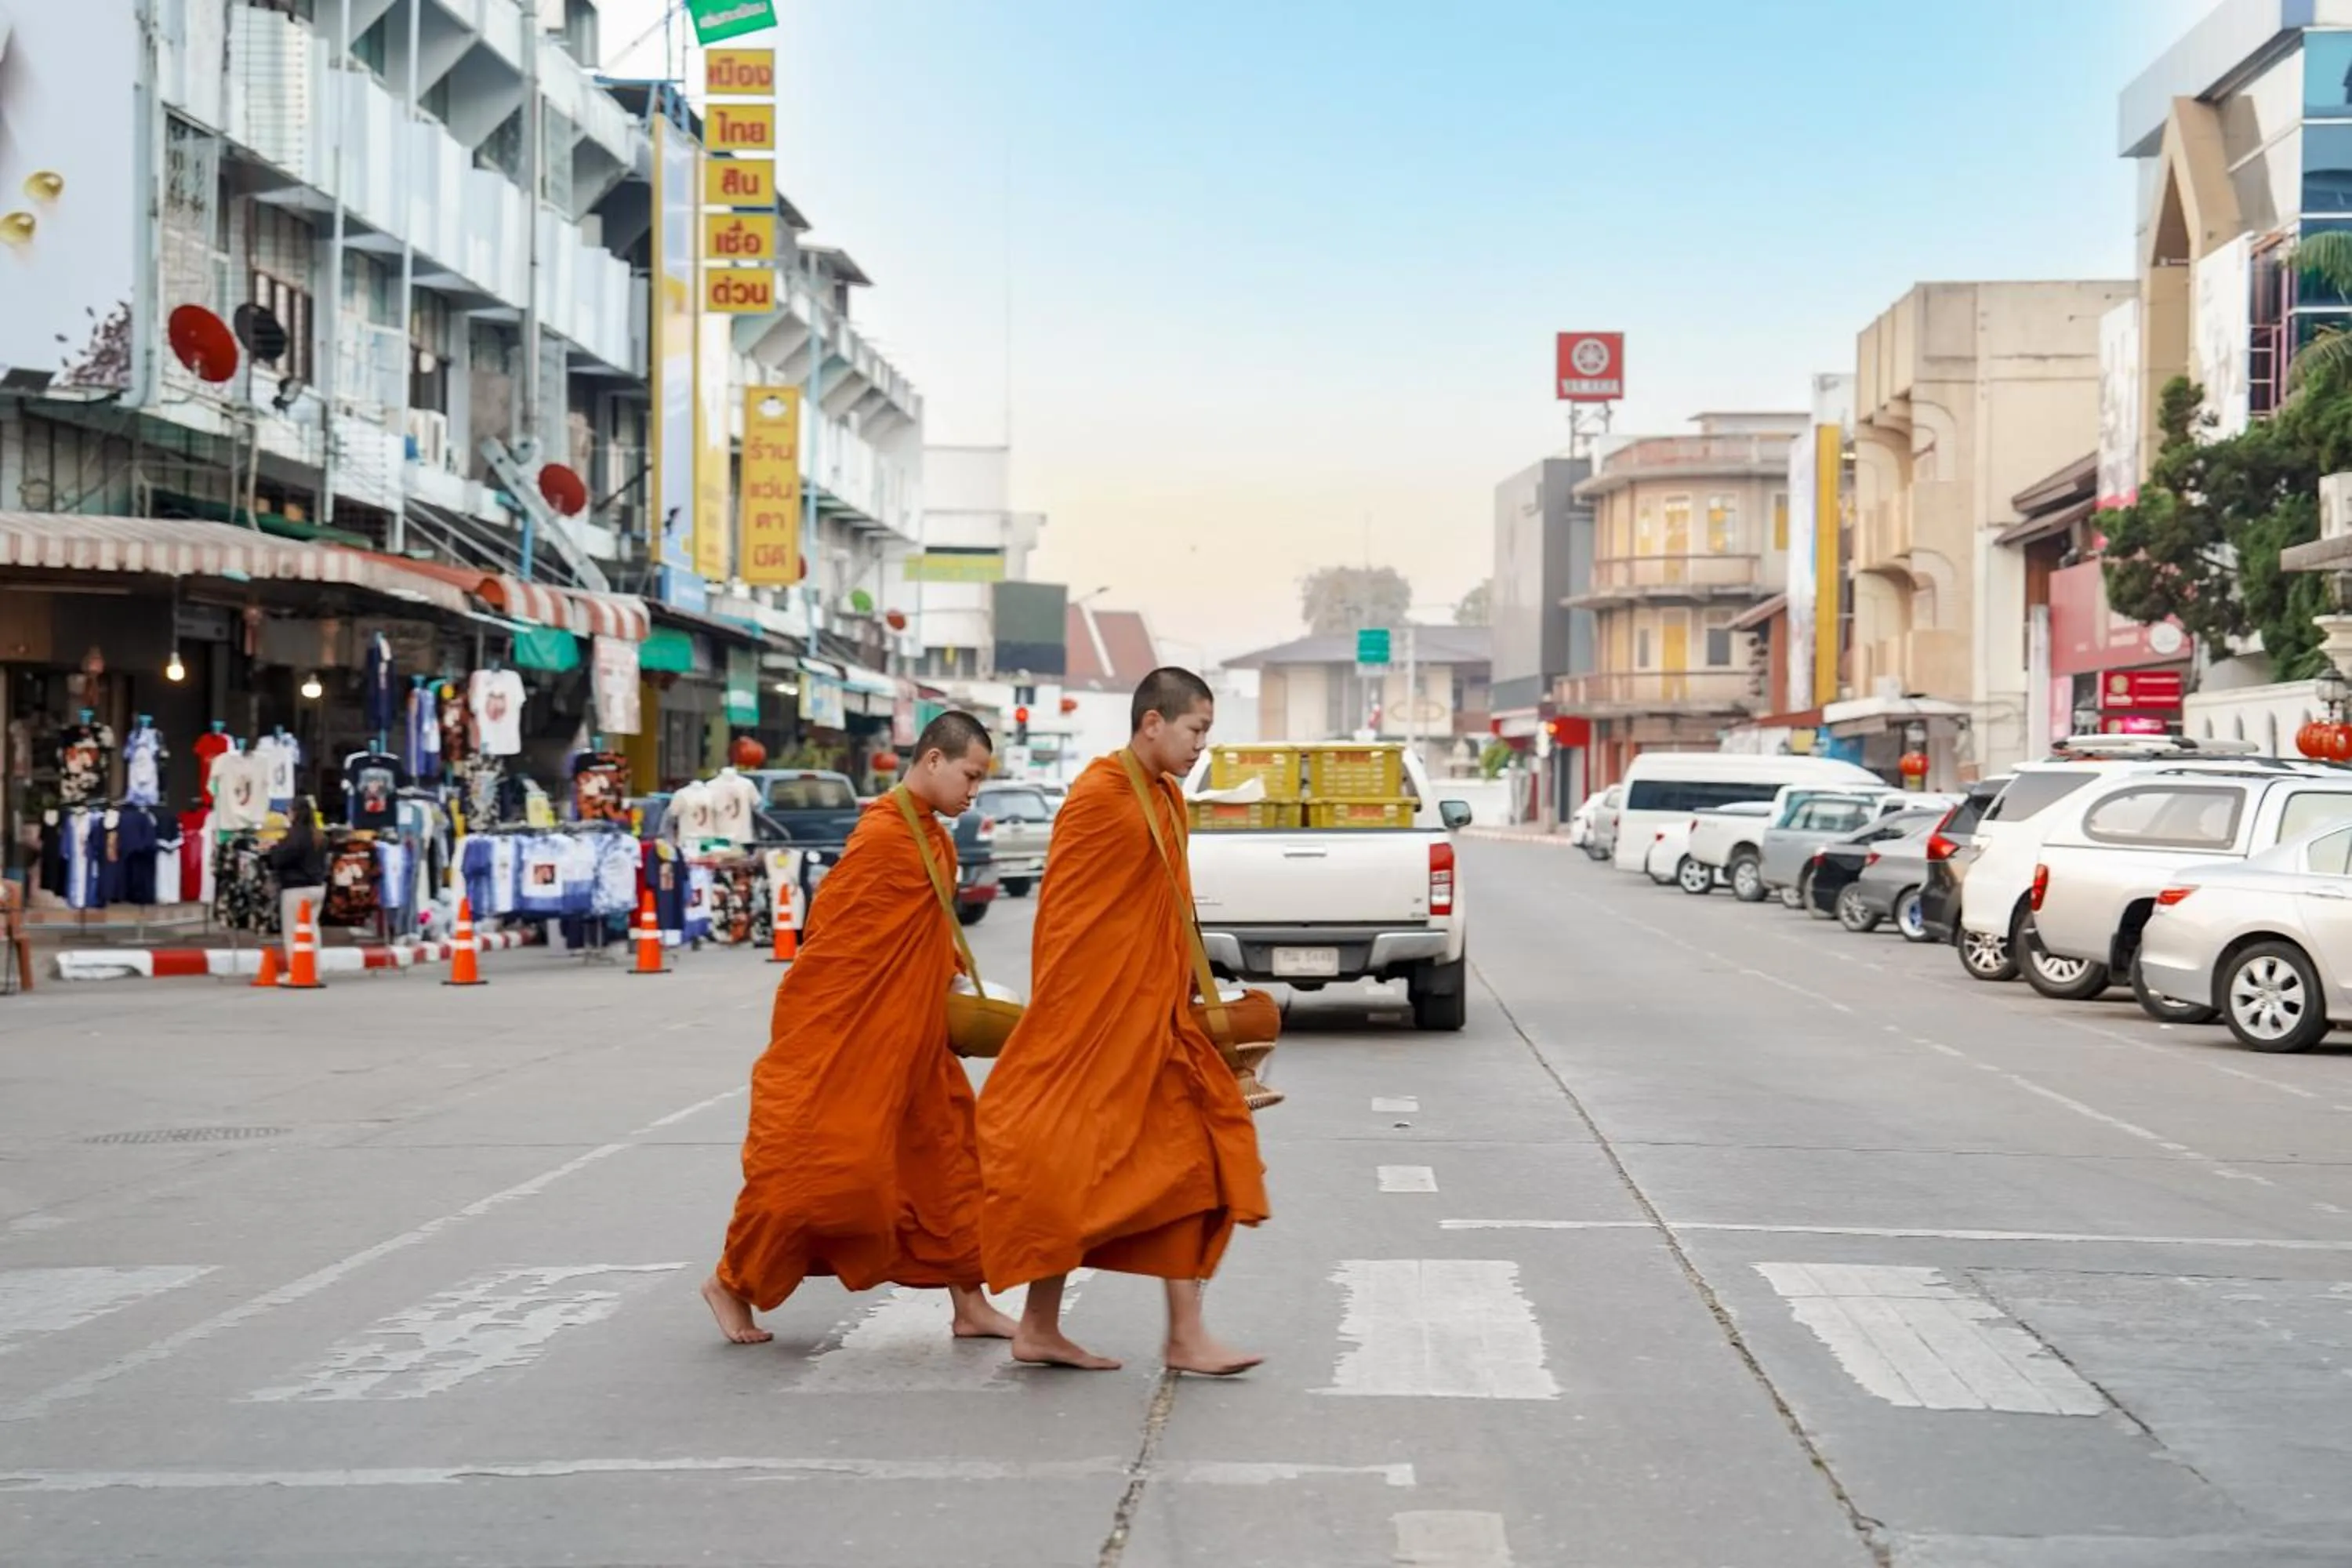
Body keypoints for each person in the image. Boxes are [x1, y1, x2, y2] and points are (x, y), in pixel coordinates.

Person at [977, 668, 1269, 1374]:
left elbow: (1159, 913)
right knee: (1079, 1170)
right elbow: (1072, 926)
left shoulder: (1166, 796)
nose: (1203, 745)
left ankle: (1172, 1334)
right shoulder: (1099, 799)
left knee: (1190, 1162)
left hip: (1154, 1019)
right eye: (1196, 729)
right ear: (1152, 724)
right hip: (1094, 1023)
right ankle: (1059, 1327)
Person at [702, 710, 1017, 1346]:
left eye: (981, 780)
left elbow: (926, 935)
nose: (974, 791)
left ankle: (970, 1301)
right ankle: (731, 1281)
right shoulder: (880, 839)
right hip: (856, 1040)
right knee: (817, 1172)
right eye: (970, 776)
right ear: (932, 760)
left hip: (918, 1040)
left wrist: (947, 980)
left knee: (951, 1165)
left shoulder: (936, 838)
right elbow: (833, 953)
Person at [265, 797, 326, 964]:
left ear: (295, 813)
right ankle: (314, 969)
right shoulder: (319, 835)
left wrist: (273, 849)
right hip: (317, 888)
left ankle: (297, 970)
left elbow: (279, 860)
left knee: (293, 933)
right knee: (312, 929)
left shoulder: (294, 836)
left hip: (296, 890)